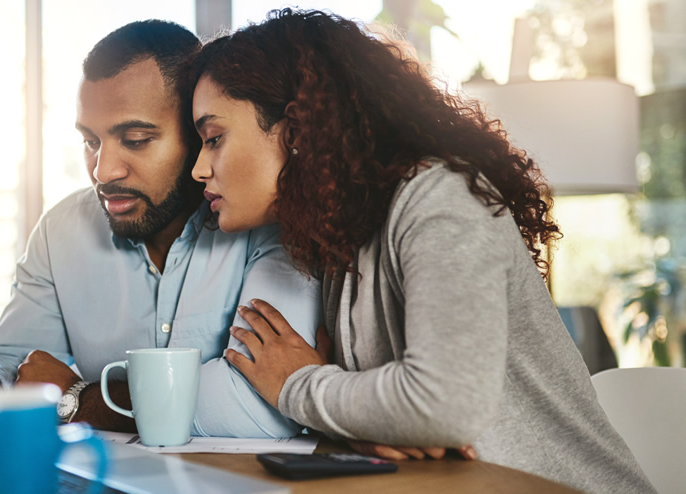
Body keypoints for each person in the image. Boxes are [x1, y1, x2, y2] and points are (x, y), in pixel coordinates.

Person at [187, 8, 654, 493]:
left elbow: (442, 406)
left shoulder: (439, 197)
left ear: (297, 128)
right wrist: (375, 421)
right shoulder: (339, 238)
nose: (200, 168)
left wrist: (297, 383)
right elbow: (410, 420)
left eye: (214, 138)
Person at [0, 19, 321, 438]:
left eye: (136, 139)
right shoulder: (60, 232)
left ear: (200, 134)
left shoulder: (267, 221)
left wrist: (81, 399)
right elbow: (12, 366)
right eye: (91, 141)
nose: (104, 171)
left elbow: (260, 409)